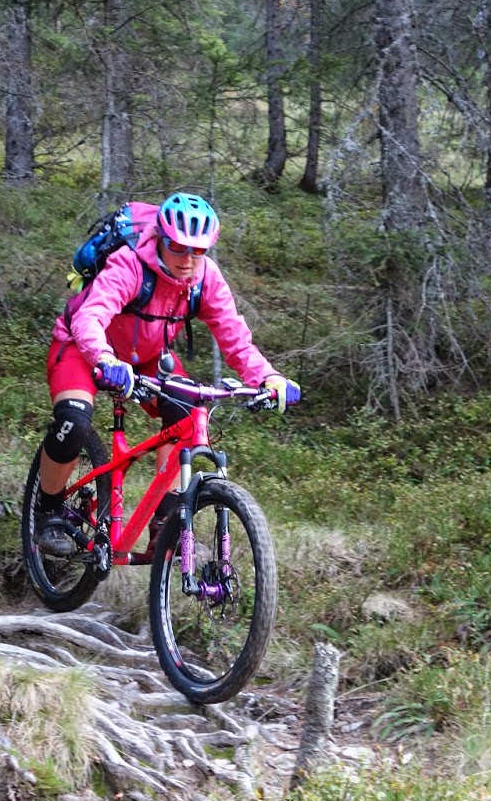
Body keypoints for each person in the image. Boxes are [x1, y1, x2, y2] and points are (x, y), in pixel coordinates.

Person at [35, 192, 301, 556]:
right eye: (178, 247)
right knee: (74, 421)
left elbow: (235, 337)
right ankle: (47, 511)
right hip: (82, 349)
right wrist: (105, 359)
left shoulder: (205, 278)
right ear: (160, 238)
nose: (188, 259)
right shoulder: (131, 264)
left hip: (147, 357)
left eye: (199, 250)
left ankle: (167, 522)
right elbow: (90, 317)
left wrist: (267, 377)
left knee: (189, 410)